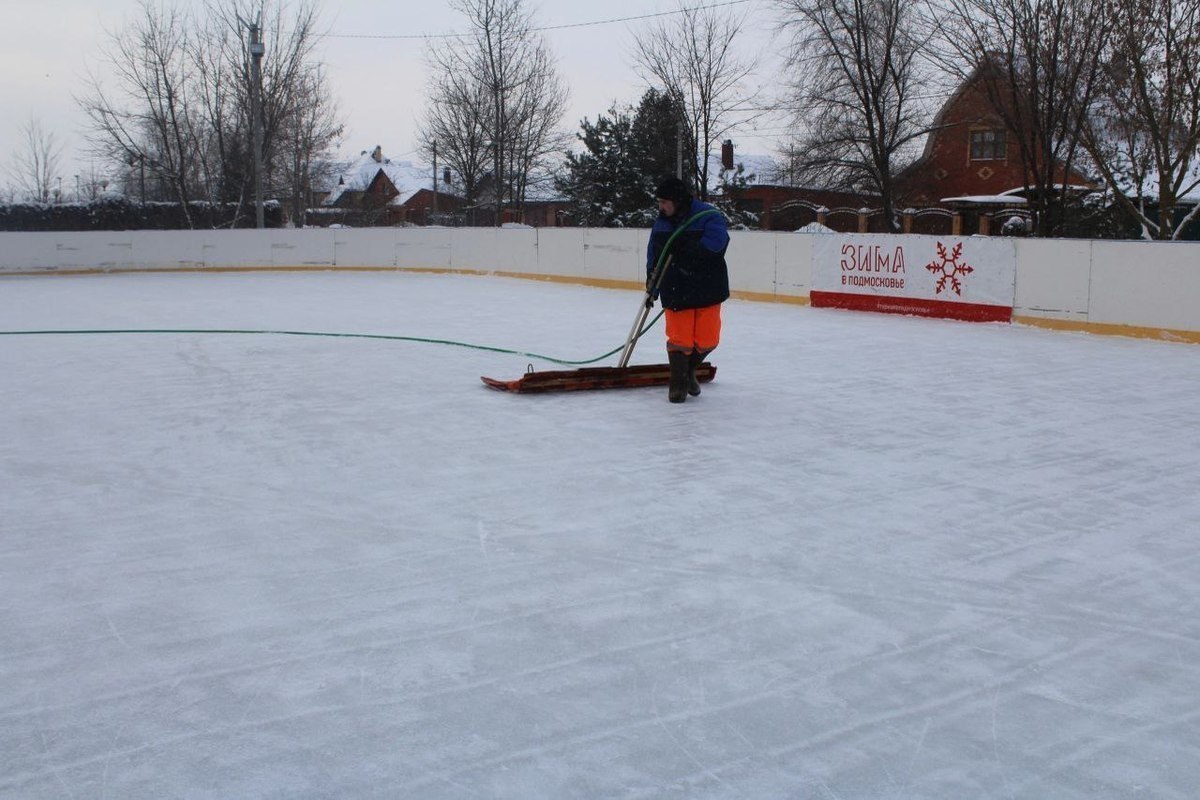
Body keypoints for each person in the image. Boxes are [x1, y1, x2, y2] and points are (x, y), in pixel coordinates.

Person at [646, 176, 730, 403]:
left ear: (678, 200)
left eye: (665, 202)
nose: (661, 207)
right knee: (679, 340)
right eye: (659, 202)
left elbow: (717, 244)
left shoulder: (708, 215)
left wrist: (689, 249)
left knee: (708, 339)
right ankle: (678, 382)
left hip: (707, 286)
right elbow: (654, 254)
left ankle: (689, 370)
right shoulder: (662, 222)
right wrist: (651, 285)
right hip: (675, 286)